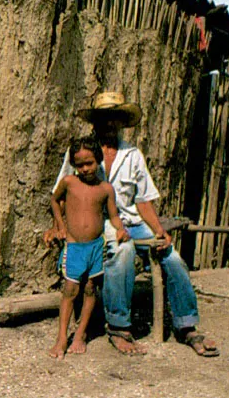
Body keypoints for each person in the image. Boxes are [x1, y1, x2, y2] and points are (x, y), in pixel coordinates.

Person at [45, 92, 219, 357]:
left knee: (172, 258)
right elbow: (61, 193)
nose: (109, 125)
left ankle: (187, 326)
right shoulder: (82, 155)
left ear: (121, 122)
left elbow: (143, 200)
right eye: (104, 119)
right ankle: (118, 326)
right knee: (122, 250)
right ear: (96, 123)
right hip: (99, 223)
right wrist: (59, 226)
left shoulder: (132, 155)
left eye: (114, 119)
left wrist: (159, 231)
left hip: (132, 220)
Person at [48, 136, 128, 359]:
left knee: (91, 288)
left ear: (98, 161)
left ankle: (80, 334)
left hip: (95, 247)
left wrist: (120, 229)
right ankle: (61, 338)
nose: (85, 169)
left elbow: (113, 215)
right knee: (70, 291)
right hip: (74, 247)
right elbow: (54, 200)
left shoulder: (105, 189)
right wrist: (60, 226)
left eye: (89, 163)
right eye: (80, 165)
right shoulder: (69, 183)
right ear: (74, 165)